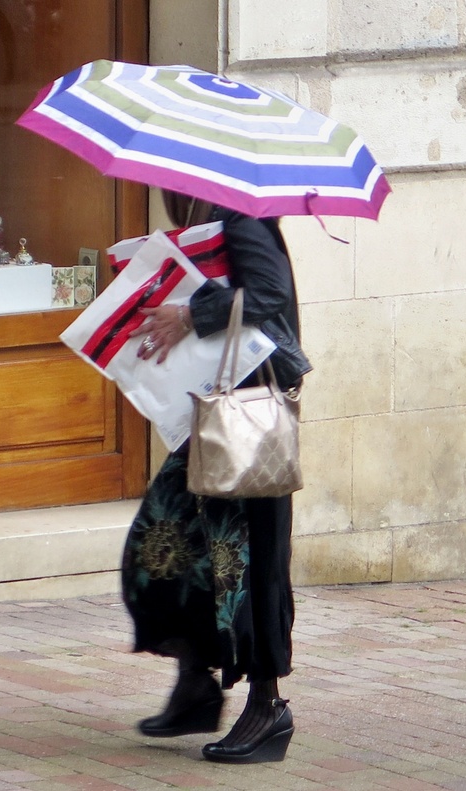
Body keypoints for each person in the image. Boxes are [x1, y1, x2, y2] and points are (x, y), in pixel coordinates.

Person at [122, 189, 312, 764]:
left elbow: (271, 292)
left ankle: (268, 706)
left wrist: (189, 314)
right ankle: (196, 684)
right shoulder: (202, 213)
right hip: (209, 411)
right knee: (166, 548)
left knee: (253, 564)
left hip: (246, 417)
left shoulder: (241, 211)